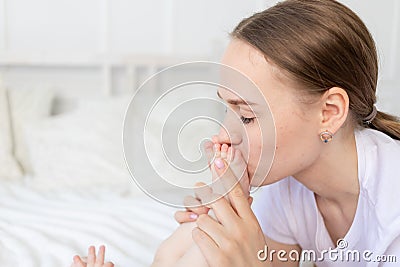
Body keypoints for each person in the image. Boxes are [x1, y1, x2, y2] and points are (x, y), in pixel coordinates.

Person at [73, 0, 400, 266]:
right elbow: (167, 261)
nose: (221, 135)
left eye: (245, 116)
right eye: (226, 110)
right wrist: (217, 216)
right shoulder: (287, 188)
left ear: (328, 113)